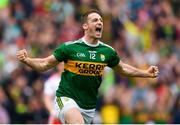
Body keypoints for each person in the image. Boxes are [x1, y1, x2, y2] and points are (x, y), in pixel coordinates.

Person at [16, 9, 159, 124]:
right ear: (85, 26)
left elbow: (122, 68)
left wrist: (145, 73)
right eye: (95, 20)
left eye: (101, 20)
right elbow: (45, 64)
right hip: (66, 99)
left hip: (88, 108)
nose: (100, 22)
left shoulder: (107, 52)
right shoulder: (70, 48)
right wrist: (27, 60)